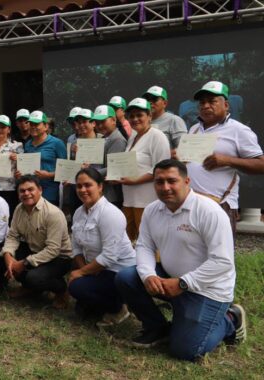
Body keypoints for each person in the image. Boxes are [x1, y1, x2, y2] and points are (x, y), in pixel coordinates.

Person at [115, 159, 246, 360]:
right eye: (159, 182)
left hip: (207, 289)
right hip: (171, 279)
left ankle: (230, 319)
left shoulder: (209, 212)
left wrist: (184, 283)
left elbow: (223, 262)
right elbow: (144, 246)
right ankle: (157, 328)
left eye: (172, 181)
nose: (165, 187)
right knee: (127, 277)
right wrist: (149, 275)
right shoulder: (152, 210)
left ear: (187, 181)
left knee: (186, 351)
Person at [184, 81, 264, 236]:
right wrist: (180, 156)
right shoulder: (194, 129)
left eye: (212, 101)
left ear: (226, 105)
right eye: (202, 102)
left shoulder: (239, 130)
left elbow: (261, 165)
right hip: (190, 203)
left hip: (220, 205)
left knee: (219, 256)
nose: (206, 106)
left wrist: (228, 160)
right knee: (191, 253)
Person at [68, 168, 135, 326]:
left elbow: (109, 257)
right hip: (95, 268)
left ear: (100, 186)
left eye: (88, 185)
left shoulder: (111, 213)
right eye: (79, 186)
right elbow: (76, 246)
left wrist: (81, 273)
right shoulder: (78, 212)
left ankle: (119, 308)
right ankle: (105, 301)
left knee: (77, 287)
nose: (83, 190)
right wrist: (84, 270)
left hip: (118, 270)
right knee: (82, 304)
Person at [0, 175, 72, 309]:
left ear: (40, 190)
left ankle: (61, 289)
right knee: (1, 256)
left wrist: (25, 262)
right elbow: (13, 236)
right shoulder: (18, 209)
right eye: (22, 191)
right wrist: (8, 256)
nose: (26, 193)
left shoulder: (53, 213)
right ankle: (31, 289)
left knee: (33, 277)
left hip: (59, 258)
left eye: (30, 189)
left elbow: (53, 250)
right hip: (35, 250)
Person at [119, 98, 171, 241]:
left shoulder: (157, 136)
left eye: (139, 115)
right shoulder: (133, 137)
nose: (135, 119)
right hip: (129, 199)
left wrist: (135, 180)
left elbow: (161, 168)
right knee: (129, 241)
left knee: (148, 242)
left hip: (147, 201)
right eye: (131, 116)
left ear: (149, 116)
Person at [23, 111, 67, 206]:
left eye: (37, 124)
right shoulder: (27, 145)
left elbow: (65, 171)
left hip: (50, 190)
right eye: (31, 124)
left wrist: (49, 175)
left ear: (46, 126)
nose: (33, 127)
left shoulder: (57, 143)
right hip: (31, 191)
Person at [91, 105, 127, 209]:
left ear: (113, 120)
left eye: (103, 121)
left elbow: (114, 167)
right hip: (104, 192)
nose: (100, 125)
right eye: (97, 123)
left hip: (112, 195)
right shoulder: (104, 138)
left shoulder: (117, 139)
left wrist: (90, 174)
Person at [142, 85, 187, 158]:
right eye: (147, 99)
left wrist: (165, 154)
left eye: (154, 99)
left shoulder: (174, 120)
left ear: (165, 103)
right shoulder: (142, 122)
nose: (150, 102)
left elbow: (184, 149)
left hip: (165, 167)